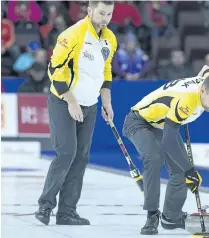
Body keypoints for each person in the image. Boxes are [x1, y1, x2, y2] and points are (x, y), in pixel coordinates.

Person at [35, 1, 117, 226]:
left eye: (109, 14)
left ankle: (67, 212)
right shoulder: (72, 34)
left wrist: (106, 102)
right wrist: (71, 102)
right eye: (101, 13)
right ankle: (45, 206)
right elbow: (54, 69)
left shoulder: (110, 38)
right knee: (66, 153)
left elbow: (106, 70)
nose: (105, 18)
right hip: (63, 101)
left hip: (90, 105)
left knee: (81, 158)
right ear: (89, 11)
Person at [122, 65, 209, 235]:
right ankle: (152, 215)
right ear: (203, 90)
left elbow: (206, 69)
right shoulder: (187, 99)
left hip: (162, 124)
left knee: (180, 170)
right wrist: (190, 170)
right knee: (154, 158)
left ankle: (171, 217)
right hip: (139, 121)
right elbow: (168, 140)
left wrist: (187, 170)